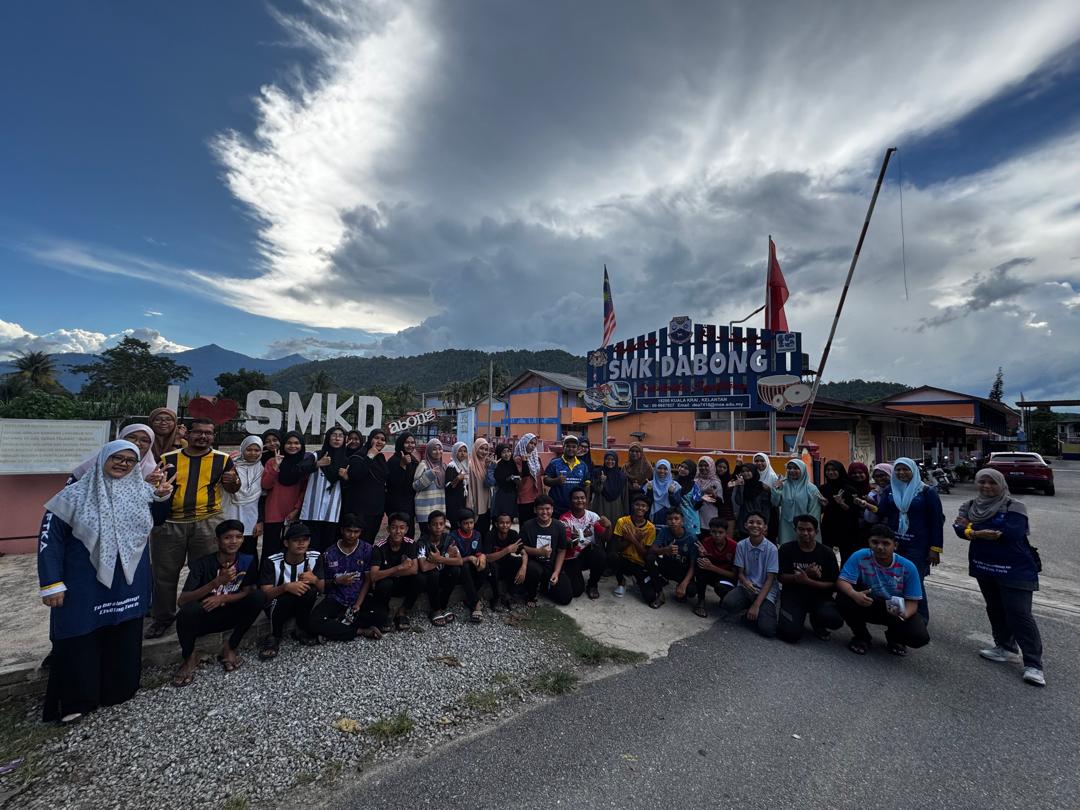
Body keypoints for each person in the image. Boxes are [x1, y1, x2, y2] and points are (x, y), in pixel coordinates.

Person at [39, 440, 174, 722]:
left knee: (123, 631)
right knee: (80, 634)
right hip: (84, 582)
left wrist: (162, 497)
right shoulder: (72, 496)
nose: (123, 464)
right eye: (118, 458)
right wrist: (52, 582)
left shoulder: (141, 492)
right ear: (102, 459)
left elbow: (157, 520)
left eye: (130, 460)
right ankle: (77, 700)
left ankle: (118, 690)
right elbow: (50, 541)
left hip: (128, 579)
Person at [147, 417, 241, 639]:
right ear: (186, 434)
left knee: (207, 572)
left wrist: (232, 481)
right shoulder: (168, 459)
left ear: (213, 437)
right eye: (198, 432)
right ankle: (163, 618)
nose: (203, 436)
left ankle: (200, 612)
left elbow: (233, 488)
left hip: (207, 522)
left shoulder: (223, 459)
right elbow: (154, 489)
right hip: (171, 524)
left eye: (208, 433)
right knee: (164, 574)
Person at [954, 469, 1044, 686]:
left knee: (1019, 613)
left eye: (992, 483)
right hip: (984, 566)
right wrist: (978, 532)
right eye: (982, 482)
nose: (986, 486)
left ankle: (1034, 664)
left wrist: (972, 528)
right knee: (994, 608)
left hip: (1015, 568)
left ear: (1001, 484)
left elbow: (1011, 533)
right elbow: (958, 528)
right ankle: (1004, 646)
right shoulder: (971, 505)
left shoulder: (1014, 506)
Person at [172, 519, 266, 686]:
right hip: (205, 616)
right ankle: (189, 657)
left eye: (238, 537)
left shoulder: (247, 560)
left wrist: (223, 598)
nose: (234, 542)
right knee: (186, 612)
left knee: (259, 596)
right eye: (228, 537)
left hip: (230, 613)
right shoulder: (203, 564)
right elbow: (182, 601)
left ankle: (230, 647)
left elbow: (248, 591)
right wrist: (216, 583)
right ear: (217, 540)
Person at [836, 524, 929, 656]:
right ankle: (862, 637)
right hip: (869, 601)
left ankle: (894, 638)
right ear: (869, 542)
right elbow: (842, 581)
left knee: (919, 637)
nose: (879, 547)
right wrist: (854, 594)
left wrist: (903, 616)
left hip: (894, 606)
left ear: (895, 546)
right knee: (843, 599)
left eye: (886, 543)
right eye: (875, 542)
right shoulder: (860, 556)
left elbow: (912, 602)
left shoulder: (908, 567)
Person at [874, 457, 944, 623]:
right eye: (898, 470)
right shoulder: (891, 490)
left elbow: (936, 521)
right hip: (894, 544)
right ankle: (895, 616)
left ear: (914, 471)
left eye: (905, 469)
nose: (901, 473)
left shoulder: (926, 492)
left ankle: (920, 619)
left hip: (917, 545)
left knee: (914, 581)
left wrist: (935, 548)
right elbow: (882, 511)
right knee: (893, 580)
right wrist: (868, 502)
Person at [307, 514, 381, 642]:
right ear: (342, 530)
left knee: (380, 616)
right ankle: (359, 631)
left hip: (358, 599)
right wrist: (337, 581)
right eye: (349, 531)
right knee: (312, 622)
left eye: (356, 532)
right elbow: (322, 586)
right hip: (336, 598)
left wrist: (358, 604)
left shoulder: (367, 550)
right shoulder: (329, 553)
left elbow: (368, 579)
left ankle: (333, 628)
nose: (352, 535)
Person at [257, 522, 323, 660]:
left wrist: (315, 580)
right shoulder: (272, 561)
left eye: (305, 540)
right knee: (284, 598)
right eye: (296, 540)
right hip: (278, 603)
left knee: (310, 591)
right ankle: (275, 636)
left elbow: (323, 588)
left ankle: (300, 629)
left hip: (300, 602)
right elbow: (265, 595)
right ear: (286, 543)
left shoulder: (315, 557)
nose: (301, 544)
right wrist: (286, 587)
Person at [777, 515, 843, 643]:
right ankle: (796, 619)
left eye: (809, 530)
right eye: (801, 529)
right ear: (795, 530)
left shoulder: (827, 553)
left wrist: (808, 581)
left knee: (834, 620)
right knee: (790, 634)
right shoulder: (786, 549)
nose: (805, 533)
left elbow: (833, 584)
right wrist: (798, 577)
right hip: (793, 595)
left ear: (816, 531)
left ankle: (817, 621)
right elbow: (780, 577)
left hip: (819, 597)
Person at [718, 512, 779, 638]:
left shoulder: (772, 549)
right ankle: (749, 609)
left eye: (759, 523)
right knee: (728, 603)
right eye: (751, 522)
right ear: (745, 525)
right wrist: (745, 582)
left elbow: (770, 579)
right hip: (747, 587)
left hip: (765, 592)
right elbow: (740, 573)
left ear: (765, 527)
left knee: (768, 630)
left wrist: (756, 605)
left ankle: (752, 613)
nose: (755, 525)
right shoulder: (741, 545)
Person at [260, 430, 314, 560]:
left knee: (293, 551)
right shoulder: (273, 461)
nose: (292, 446)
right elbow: (266, 485)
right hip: (273, 513)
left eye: (296, 443)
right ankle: (268, 578)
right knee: (270, 551)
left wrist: (296, 510)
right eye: (289, 443)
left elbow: (304, 490)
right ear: (283, 444)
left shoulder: (304, 464)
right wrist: (276, 467)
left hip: (294, 514)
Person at [556, 488, 611, 601]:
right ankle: (571, 576)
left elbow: (605, 538)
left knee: (600, 554)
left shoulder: (592, 516)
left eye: (582, 498)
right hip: (571, 557)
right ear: (570, 500)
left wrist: (609, 527)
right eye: (576, 498)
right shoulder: (564, 518)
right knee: (576, 591)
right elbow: (567, 544)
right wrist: (573, 539)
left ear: (586, 500)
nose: (579, 500)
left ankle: (592, 585)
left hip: (587, 554)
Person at [370, 512, 419, 632]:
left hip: (403, 583)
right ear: (388, 529)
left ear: (407, 529)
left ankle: (402, 611)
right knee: (385, 583)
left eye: (402, 528)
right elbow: (374, 576)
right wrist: (399, 568)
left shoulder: (410, 543)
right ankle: (385, 612)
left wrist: (388, 572)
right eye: (394, 527)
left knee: (420, 578)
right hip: (386, 586)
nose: (398, 531)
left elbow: (414, 569)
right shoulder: (379, 547)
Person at [300, 426, 347, 552]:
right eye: (334, 435)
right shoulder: (318, 455)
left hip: (332, 511)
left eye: (340, 435)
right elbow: (300, 468)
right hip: (312, 510)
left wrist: (346, 478)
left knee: (327, 546)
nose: (337, 438)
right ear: (328, 438)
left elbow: (351, 486)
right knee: (310, 547)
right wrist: (318, 464)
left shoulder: (345, 460)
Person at [518, 495, 569, 606]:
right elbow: (520, 547)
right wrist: (538, 552)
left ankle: (545, 587)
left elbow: (561, 550)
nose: (544, 512)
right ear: (535, 509)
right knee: (533, 569)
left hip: (552, 565)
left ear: (552, 509)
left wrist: (556, 572)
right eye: (541, 509)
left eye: (547, 509)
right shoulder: (527, 526)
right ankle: (531, 595)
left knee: (565, 598)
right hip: (535, 565)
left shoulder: (559, 526)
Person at [220, 436, 265, 563]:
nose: (253, 453)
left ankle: (249, 581)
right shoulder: (231, 466)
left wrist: (260, 521)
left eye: (257, 450)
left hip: (252, 517)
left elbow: (263, 497)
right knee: (229, 549)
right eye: (249, 450)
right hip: (231, 513)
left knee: (249, 551)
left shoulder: (262, 469)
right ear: (242, 449)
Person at [610, 495, 660, 604]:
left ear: (647, 508)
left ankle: (637, 580)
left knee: (650, 597)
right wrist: (629, 540)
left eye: (643, 506)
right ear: (633, 506)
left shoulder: (650, 528)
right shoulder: (622, 521)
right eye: (637, 505)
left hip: (640, 564)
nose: (640, 508)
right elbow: (617, 547)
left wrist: (633, 539)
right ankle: (621, 582)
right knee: (613, 556)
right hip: (624, 560)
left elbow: (645, 554)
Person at [342, 428, 389, 543]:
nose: (379, 441)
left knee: (370, 541)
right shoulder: (359, 455)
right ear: (370, 439)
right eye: (376, 438)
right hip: (360, 509)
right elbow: (356, 475)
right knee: (358, 541)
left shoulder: (381, 458)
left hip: (376, 509)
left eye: (383, 439)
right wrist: (369, 457)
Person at [442, 508, 489, 622]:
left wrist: (481, 558)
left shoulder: (477, 534)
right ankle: (476, 604)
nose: (469, 526)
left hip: (472, 565)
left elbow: (478, 551)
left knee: (486, 566)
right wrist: (468, 558)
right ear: (459, 524)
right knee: (465, 567)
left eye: (471, 523)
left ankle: (470, 599)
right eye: (466, 523)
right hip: (458, 567)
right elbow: (452, 558)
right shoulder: (453, 536)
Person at [70, 423, 158, 483]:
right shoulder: (97, 461)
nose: (137, 443)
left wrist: (147, 484)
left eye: (144, 440)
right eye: (132, 437)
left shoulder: (152, 471)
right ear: (121, 437)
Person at [650, 509, 699, 609]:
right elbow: (653, 549)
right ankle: (660, 593)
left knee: (691, 591)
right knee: (650, 558)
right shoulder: (665, 531)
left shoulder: (691, 538)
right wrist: (665, 550)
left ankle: (680, 585)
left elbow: (693, 565)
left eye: (676, 519)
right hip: (668, 565)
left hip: (682, 570)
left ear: (682, 521)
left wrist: (684, 584)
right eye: (670, 519)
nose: (673, 522)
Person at [415, 510, 456, 626]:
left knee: (456, 570)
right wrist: (447, 558)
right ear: (429, 526)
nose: (438, 527)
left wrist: (439, 559)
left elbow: (459, 560)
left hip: (443, 573)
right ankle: (436, 609)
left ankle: (443, 605)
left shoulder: (448, 539)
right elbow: (423, 567)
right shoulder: (423, 541)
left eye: (441, 524)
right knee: (433, 573)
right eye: (434, 524)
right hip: (429, 578)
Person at [769, 459, 822, 545]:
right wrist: (776, 489)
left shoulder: (811, 489)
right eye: (789, 468)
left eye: (796, 468)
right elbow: (775, 503)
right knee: (787, 551)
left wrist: (809, 528)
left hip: (805, 527)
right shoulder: (783, 485)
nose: (792, 471)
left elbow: (814, 511)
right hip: (786, 526)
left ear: (802, 470)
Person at [693, 517, 738, 617]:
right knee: (700, 565)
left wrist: (712, 567)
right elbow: (703, 562)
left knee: (722, 587)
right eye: (714, 532)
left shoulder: (734, 546)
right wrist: (702, 555)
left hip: (726, 577)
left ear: (726, 533)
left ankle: (725, 599)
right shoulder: (706, 542)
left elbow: (734, 575)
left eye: (720, 532)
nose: (717, 535)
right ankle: (701, 601)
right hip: (711, 574)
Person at [819, 459, 860, 564]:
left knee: (846, 556)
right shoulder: (822, 489)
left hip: (846, 527)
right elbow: (820, 510)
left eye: (834, 470)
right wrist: (823, 506)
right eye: (827, 470)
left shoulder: (850, 489)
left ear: (840, 471)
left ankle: (844, 578)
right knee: (826, 555)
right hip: (829, 526)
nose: (830, 472)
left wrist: (841, 503)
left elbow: (855, 512)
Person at [482, 512, 523, 611]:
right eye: (502, 523)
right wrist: (507, 550)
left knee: (518, 561)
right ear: (496, 524)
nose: (505, 525)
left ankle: (509, 594)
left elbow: (523, 552)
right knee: (492, 565)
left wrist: (524, 567)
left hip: (506, 566)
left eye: (507, 523)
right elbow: (487, 557)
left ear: (510, 523)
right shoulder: (490, 535)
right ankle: (496, 597)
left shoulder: (513, 534)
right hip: (492, 570)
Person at [543, 434, 589, 515]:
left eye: (574, 447)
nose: (571, 449)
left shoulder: (583, 465)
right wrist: (556, 481)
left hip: (576, 509)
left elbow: (586, 486)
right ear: (563, 448)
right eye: (568, 446)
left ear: (577, 449)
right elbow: (545, 480)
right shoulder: (555, 463)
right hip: (557, 508)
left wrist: (585, 505)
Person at [386, 432, 419, 532]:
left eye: (412, 442)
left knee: (409, 533)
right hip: (395, 505)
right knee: (397, 534)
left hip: (409, 505)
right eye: (407, 442)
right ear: (401, 443)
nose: (410, 445)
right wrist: (402, 466)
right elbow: (393, 483)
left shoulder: (414, 461)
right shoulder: (393, 461)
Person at [731, 465, 772, 538]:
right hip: (744, 522)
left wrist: (765, 524)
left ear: (754, 472)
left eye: (748, 471)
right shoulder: (741, 485)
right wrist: (740, 487)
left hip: (758, 522)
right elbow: (739, 501)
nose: (745, 473)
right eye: (743, 471)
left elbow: (766, 508)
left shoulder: (761, 487)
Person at [592, 450, 629, 526]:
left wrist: (626, 512)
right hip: (601, 506)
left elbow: (625, 496)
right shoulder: (598, 472)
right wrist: (601, 481)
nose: (610, 461)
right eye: (607, 459)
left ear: (616, 461)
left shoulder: (621, 476)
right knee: (601, 528)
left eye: (612, 460)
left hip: (617, 507)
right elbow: (596, 490)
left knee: (615, 528)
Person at [513, 433, 543, 525]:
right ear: (524, 443)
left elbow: (541, 474)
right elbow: (521, 475)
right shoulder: (518, 459)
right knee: (525, 525)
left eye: (534, 444)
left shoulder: (536, 459)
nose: (533, 446)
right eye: (530, 443)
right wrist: (524, 461)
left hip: (537, 495)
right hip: (524, 496)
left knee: (536, 524)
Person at [466, 438, 494, 537]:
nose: (484, 452)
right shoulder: (470, 465)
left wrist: (489, 468)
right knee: (475, 533)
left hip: (487, 504)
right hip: (475, 503)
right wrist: (470, 504)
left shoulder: (487, 465)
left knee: (485, 531)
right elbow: (469, 487)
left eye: (486, 449)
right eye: (481, 448)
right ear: (475, 448)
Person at [644, 459, 681, 525]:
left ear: (669, 470)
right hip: (653, 518)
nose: (662, 471)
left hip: (670, 519)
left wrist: (671, 493)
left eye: (665, 469)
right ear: (655, 469)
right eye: (659, 468)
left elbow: (676, 504)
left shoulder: (675, 485)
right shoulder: (649, 484)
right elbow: (646, 504)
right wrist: (650, 491)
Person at [694, 457, 725, 533]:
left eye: (706, 465)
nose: (703, 468)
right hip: (695, 517)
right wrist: (703, 492)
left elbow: (720, 504)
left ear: (711, 466)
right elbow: (694, 502)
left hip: (710, 518)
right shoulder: (695, 481)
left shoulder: (716, 482)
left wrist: (714, 496)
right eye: (701, 465)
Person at [673, 459, 703, 538]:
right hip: (675, 520)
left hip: (691, 521)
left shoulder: (695, 486)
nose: (682, 469)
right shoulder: (673, 483)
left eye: (686, 468)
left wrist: (701, 500)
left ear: (691, 471)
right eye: (681, 466)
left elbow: (697, 506)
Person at [444, 441, 470, 530]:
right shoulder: (452, 466)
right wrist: (457, 479)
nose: (463, 453)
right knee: (455, 528)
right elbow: (447, 487)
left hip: (462, 503)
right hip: (454, 504)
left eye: (465, 451)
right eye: (460, 451)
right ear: (455, 452)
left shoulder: (465, 466)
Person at [491, 443, 520, 523]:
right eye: (504, 452)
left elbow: (518, 476)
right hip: (500, 494)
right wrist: (507, 478)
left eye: (508, 451)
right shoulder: (496, 465)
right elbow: (496, 479)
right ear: (499, 453)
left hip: (512, 494)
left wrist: (516, 479)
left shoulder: (513, 463)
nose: (507, 454)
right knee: (499, 519)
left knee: (508, 520)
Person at [714, 457, 737, 536]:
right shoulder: (711, 479)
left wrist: (738, 466)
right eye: (720, 466)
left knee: (728, 538)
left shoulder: (729, 480)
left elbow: (735, 476)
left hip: (727, 513)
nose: (722, 469)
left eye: (724, 468)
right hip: (714, 512)